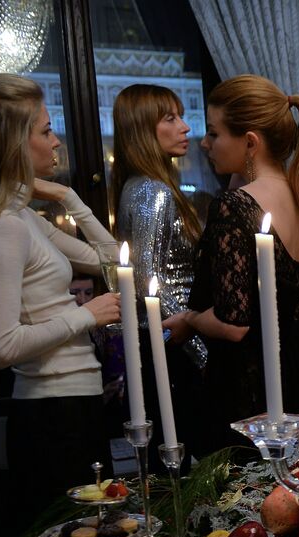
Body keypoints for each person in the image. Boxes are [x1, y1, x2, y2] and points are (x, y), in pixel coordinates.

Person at [0, 74, 122, 525]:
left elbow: (108, 261)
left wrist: (67, 196)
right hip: (50, 413)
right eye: (44, 130)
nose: (56, 140)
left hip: (70, 402)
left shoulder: (18, 217)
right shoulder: (2, 227)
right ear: (11, 144)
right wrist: (86, 316)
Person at [164, 74, 299, 437]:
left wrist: (190, 319)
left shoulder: (234, 207)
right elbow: (277, 291)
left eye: (214, 133)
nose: (206, 143)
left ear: (250, 141)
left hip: (255, 377)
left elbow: (235, 324)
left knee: (250, 488)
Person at [111, 83, 208, 453]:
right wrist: (201, 352)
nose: (185, 127)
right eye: (171, 118)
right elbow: (150, 280)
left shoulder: (139, 186)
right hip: (174, 346)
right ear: (142, 129)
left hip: (166, 343)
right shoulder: (154, 191)